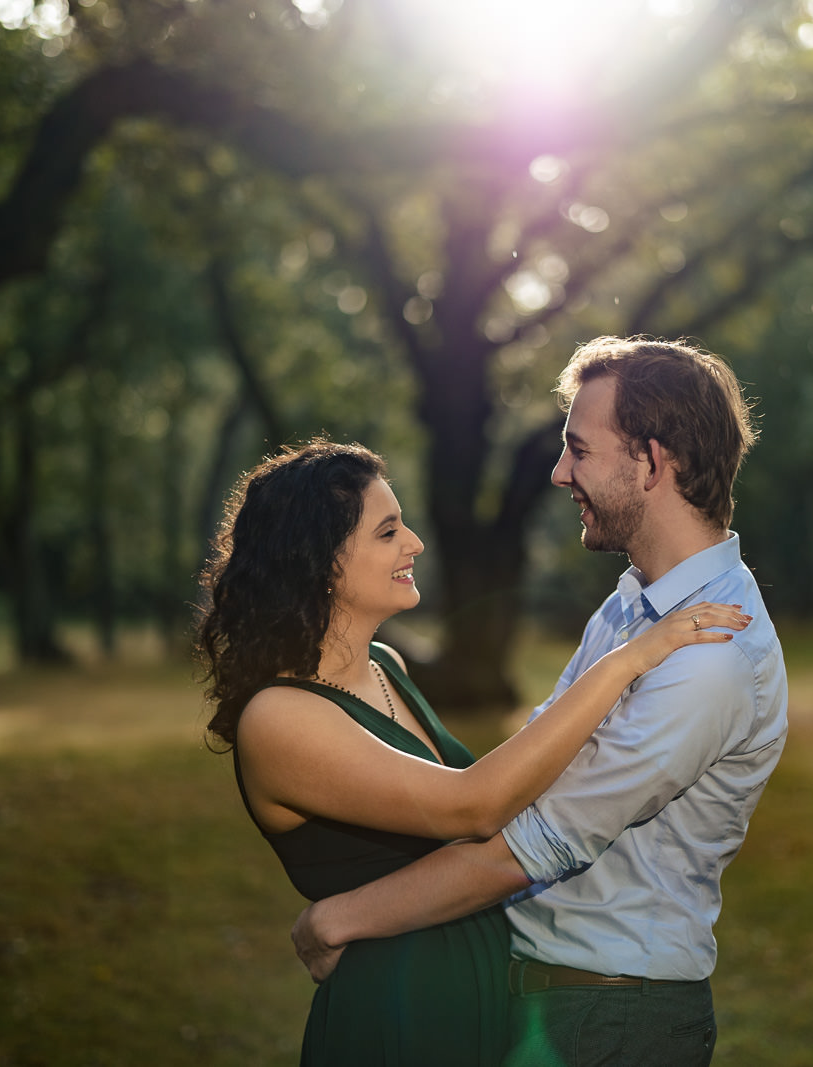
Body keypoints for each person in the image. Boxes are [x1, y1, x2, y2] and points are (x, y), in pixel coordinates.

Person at [291, 338, 788, 1067]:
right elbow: (533, 767)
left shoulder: (712, 654)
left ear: (652, 462)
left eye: (578, 450)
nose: (560, 473)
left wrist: (339, 919)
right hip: (551, 1001)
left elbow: (537, 845)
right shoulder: (633, 608)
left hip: (611, 1017)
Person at [196, 437, 748, 1067]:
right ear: (319, 561)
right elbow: (474, 806)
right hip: (400, 1004)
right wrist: (631, 660)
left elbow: (518, 783)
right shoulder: (280, 719)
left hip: (484, 986)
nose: (415, 545)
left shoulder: (386, 666)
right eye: (387, 532)